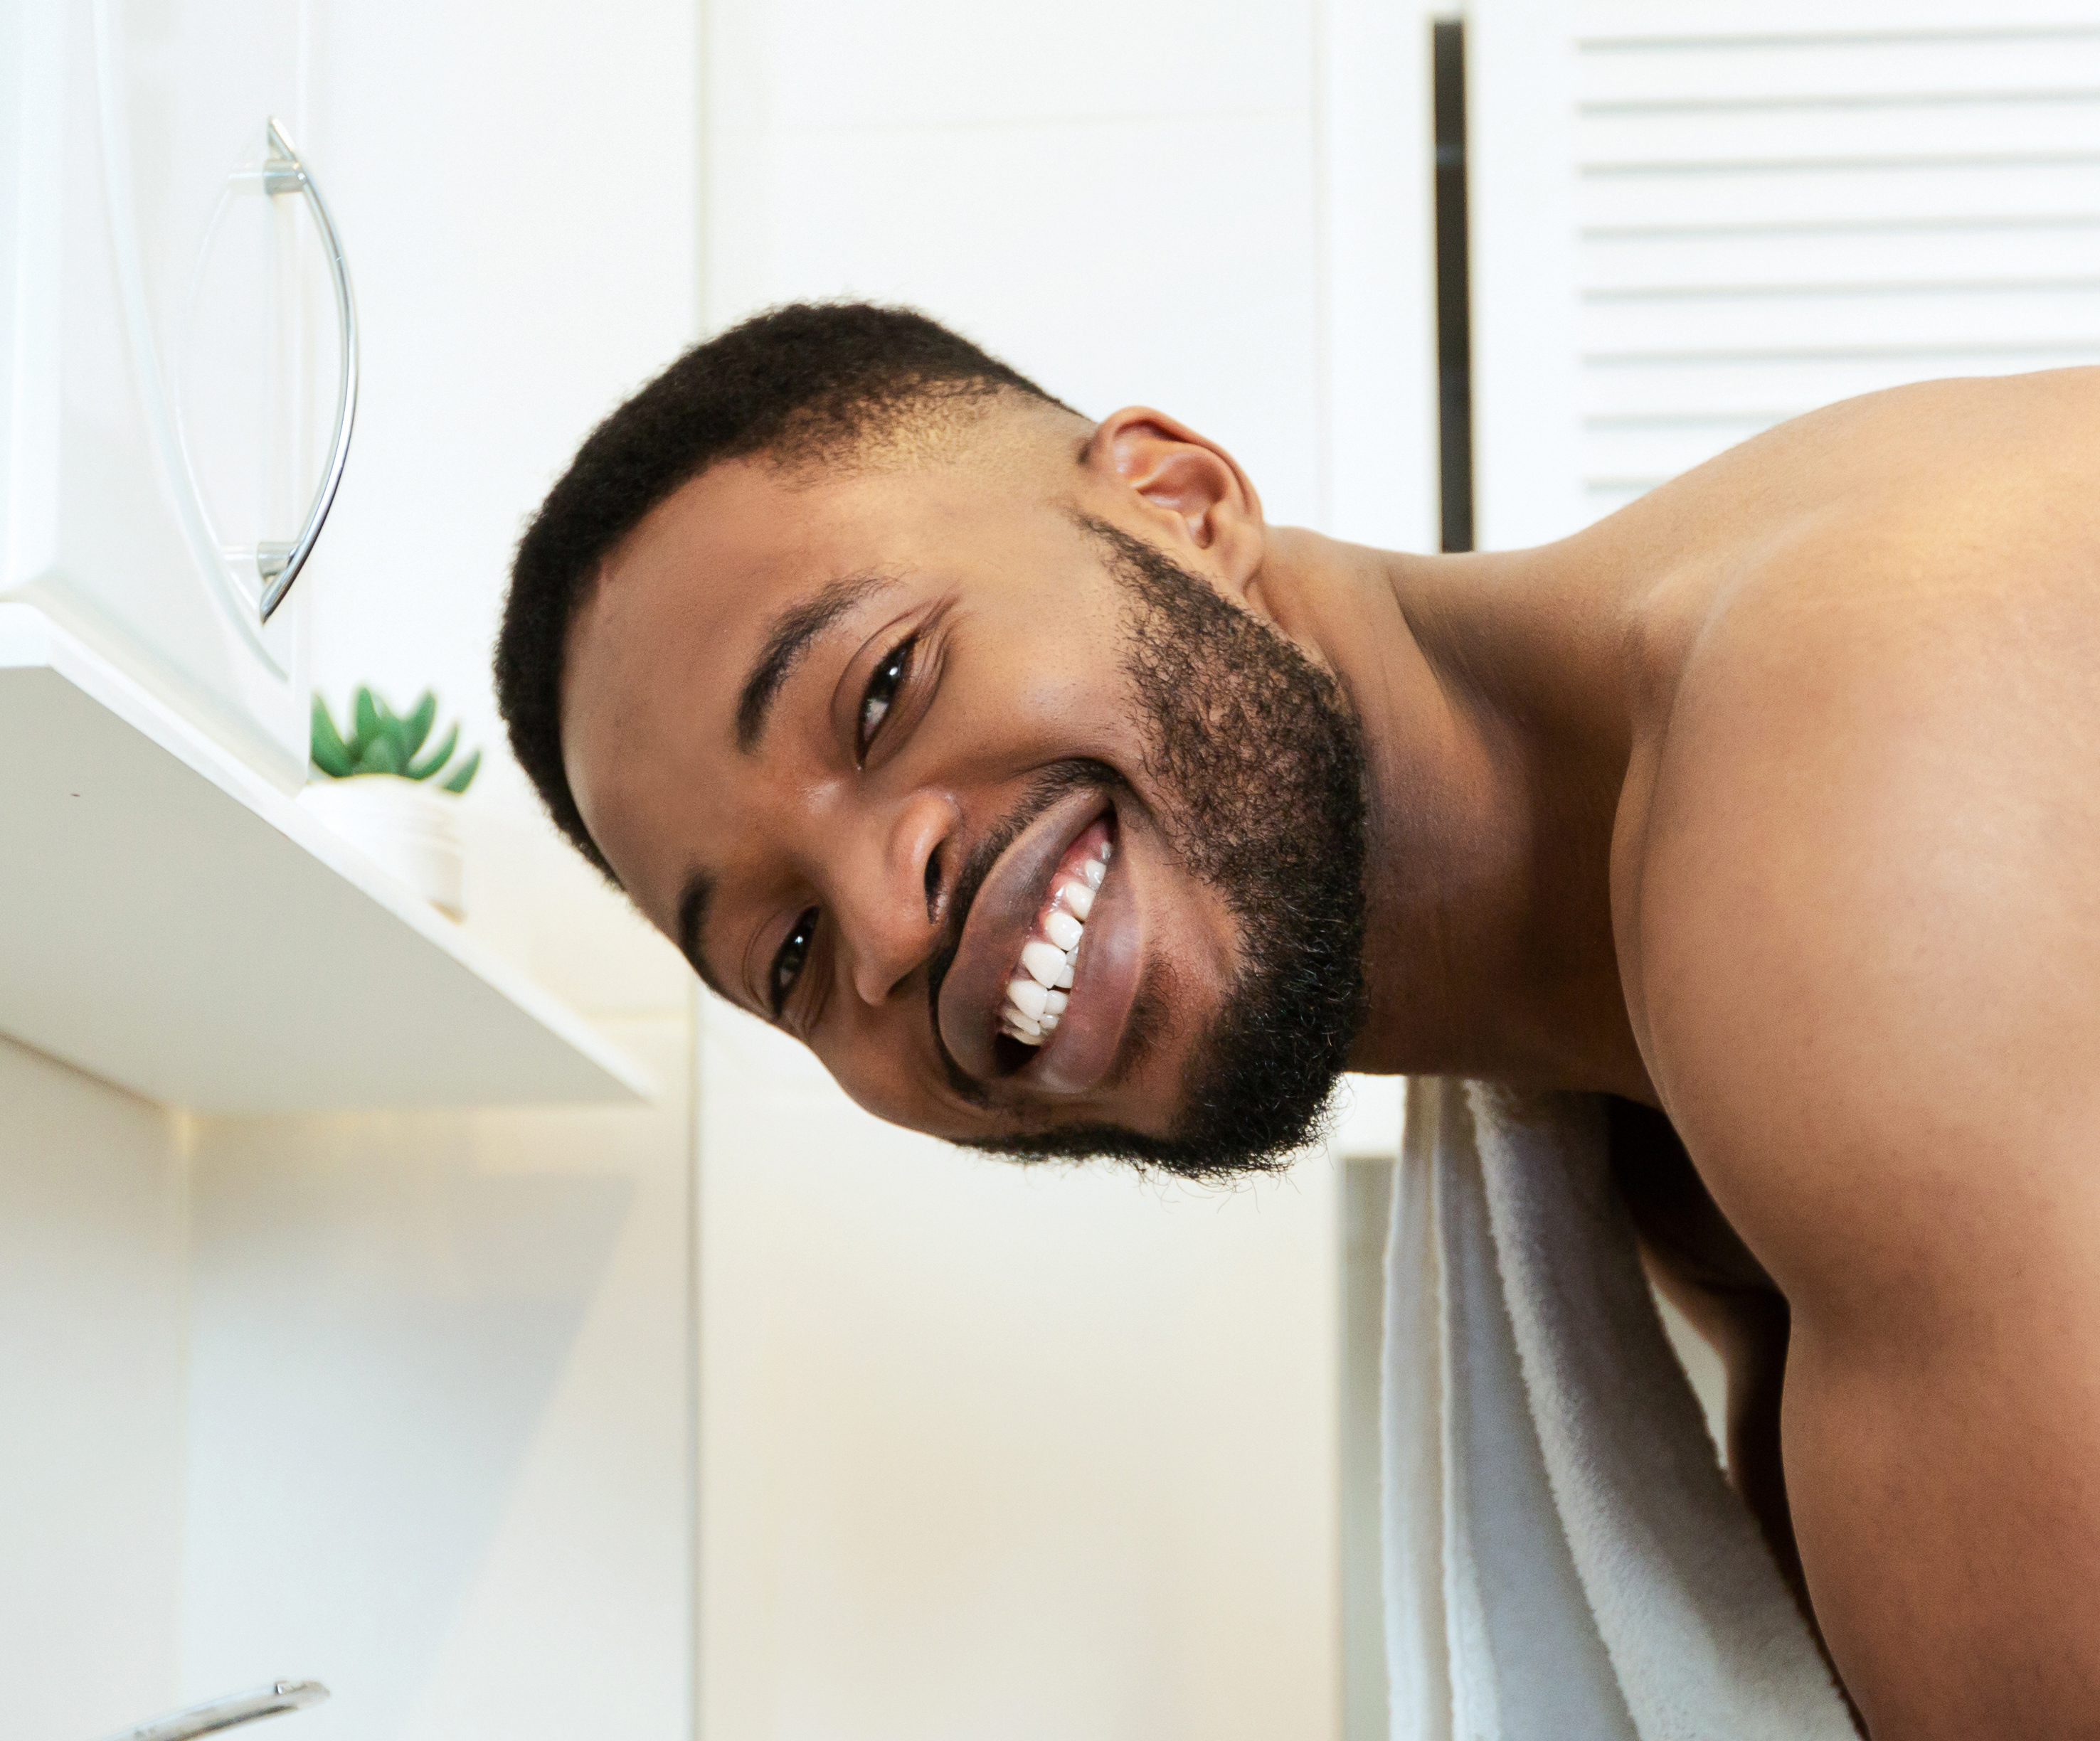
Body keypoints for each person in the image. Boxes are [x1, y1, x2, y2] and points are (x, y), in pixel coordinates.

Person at [496, 302, 2100, 1737]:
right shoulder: (1663, 1117)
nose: (887, 920)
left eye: (880, 689)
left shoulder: (1843, 830)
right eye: (784, 959)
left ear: (1179, 504)